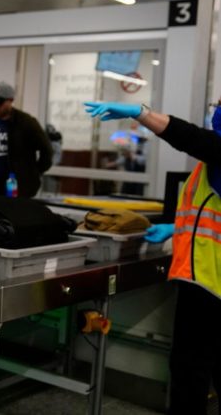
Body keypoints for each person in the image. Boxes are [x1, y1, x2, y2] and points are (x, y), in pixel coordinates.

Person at [85, 100, 221, 415]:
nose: (213, 109)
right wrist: (175, 227)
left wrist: (141, 114)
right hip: (206, 278)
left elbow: (189, 137)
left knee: (191, 371)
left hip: (209, 283)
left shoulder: (215, 151)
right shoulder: (211, 163)